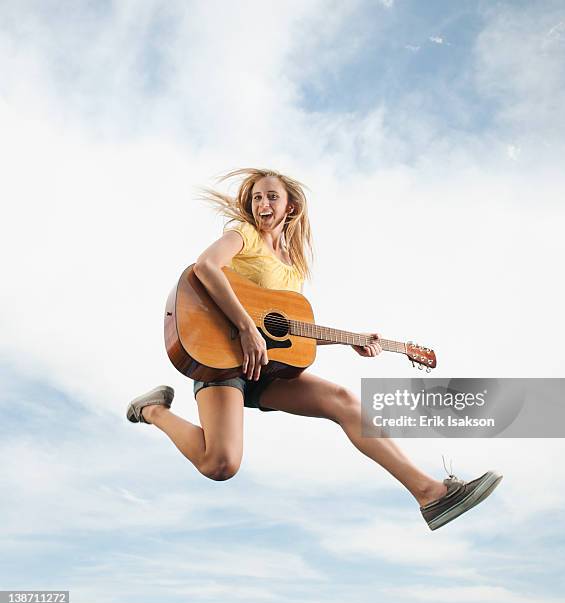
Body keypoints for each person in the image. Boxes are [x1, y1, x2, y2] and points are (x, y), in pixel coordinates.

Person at [126, 168, 502, 530]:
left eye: (272, 196)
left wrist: (349, 340)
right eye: (257, 197)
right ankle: (154, 410)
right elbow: (206, 266)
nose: (262, 204)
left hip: (266, 369)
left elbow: (282, 331)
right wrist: (244, 328)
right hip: (220, 359)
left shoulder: (293, 268)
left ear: (290, 206)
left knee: (343, 400)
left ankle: (430, 495)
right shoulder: (244, 235)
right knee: (220, 464)